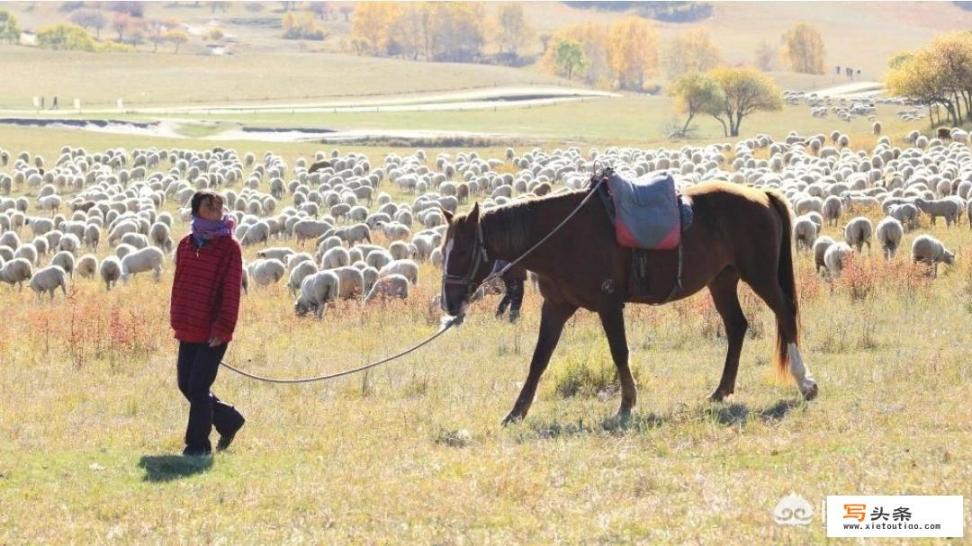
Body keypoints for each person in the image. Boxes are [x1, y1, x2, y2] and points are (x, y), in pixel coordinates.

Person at [170, 191, 245, 457]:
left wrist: (224, 328)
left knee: (199, 386)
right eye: (208, 205)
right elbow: (179, 283)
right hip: (188, 323)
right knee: (185, 384)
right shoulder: (186, 244)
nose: (215, 210)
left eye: (218, 206)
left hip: (213, 329)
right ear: (196, 210)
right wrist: (176, 317)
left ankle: (197, 445)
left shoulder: (229, 247)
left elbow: (231, 290)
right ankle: (229, 420)